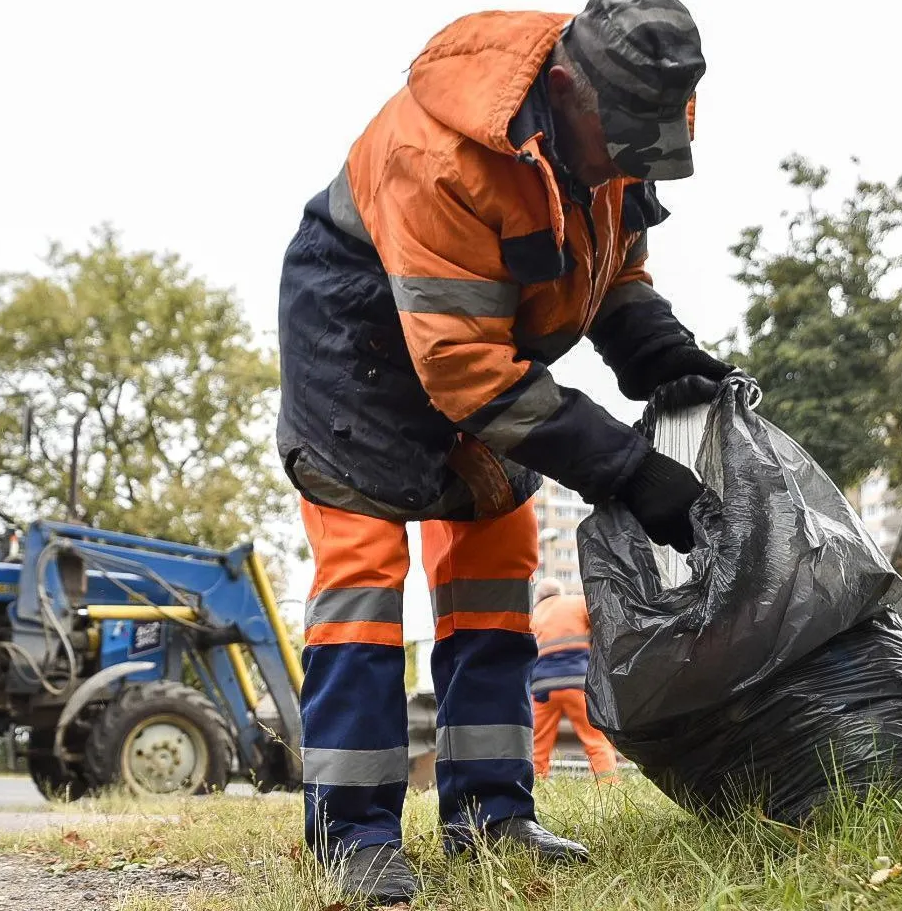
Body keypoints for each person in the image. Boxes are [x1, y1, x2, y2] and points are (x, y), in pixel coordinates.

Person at [277, 0, 734, 902]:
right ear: (568, 92)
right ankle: (354, 833)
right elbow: (467, 370)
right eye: (623, 149)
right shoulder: (438, 158)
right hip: (358, 353)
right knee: (365, 583)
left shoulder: (617, 122)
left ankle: (493, 815)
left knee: (495, 573)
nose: (631, 167)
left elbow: (609, 262)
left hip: (477, 346)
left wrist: (658, 353)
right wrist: (631, 473)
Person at [530, 579, 618, 782]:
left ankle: (535, 787)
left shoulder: (534, 615)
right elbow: (600, 625)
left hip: (543, 688)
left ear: (539, 598)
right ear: (560, 593)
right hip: (577, 683)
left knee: (537, 745)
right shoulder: (576, 603)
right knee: (596, 738)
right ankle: (609, 786)